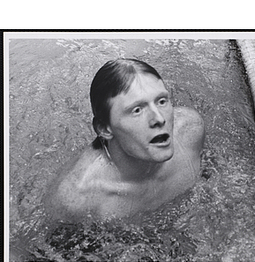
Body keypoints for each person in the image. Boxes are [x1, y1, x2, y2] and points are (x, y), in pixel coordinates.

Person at [44, 58, 205, 223]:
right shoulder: (78, 196)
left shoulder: (190, 130)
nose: (159, 118)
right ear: (105, 129)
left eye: (161, 101)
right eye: (137, 110)